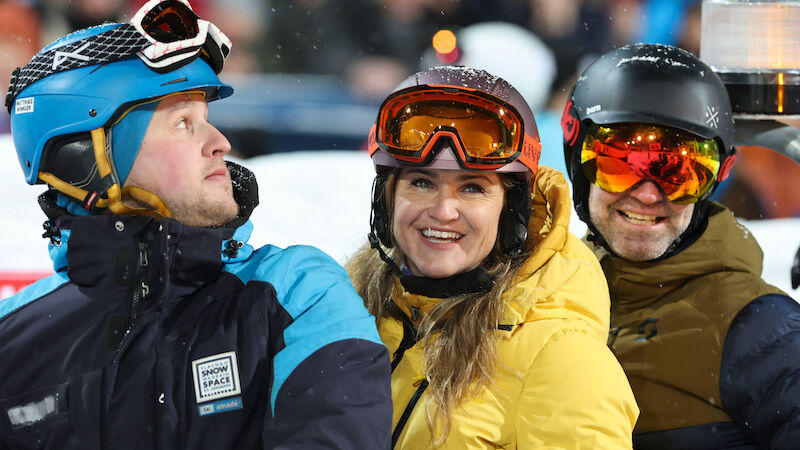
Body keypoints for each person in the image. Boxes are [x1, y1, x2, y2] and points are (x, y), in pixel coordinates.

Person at [0, 1, 391, 448]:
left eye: (207, 119)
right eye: (184, 123)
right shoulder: (11, 338)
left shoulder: (294, 294)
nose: (220, 143)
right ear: (86, 159)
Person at [346, 65, 638, 449]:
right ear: (388, 199)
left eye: (472, 188)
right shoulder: (350, 310)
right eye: (421, 182)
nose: (444, 210)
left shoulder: (560, 356)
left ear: (511, 213)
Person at [561, 43, 800, 448]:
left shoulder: (759, 328)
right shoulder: (549, 297)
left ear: (716, 180)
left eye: (681, 172)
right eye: (621, 164)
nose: (649, 195)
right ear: (578, 163)